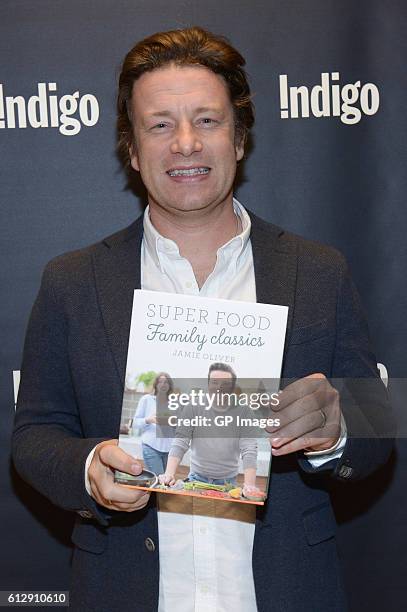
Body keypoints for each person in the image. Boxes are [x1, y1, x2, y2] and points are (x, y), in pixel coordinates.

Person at [12, 26, 394, 612]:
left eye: (208, 121)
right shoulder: (72, 281)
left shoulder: (319, 270)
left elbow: (375, 428)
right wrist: (90, 468)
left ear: (239, 140)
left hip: (288, 592)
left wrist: (336, 429)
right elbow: (34, 436)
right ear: (132, 149)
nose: (186, 143)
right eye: (160, 124)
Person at [160, 363, 259, 490]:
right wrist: (169, 473)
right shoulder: (193, 406)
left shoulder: (245, 411)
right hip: (196, 479)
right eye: (215, 382)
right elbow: (181, 440)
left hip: (228, 483)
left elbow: (249, 448)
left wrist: (250, 485)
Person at [132, 372, 175, 475]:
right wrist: (148, 420)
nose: (163, 384)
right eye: (160, 382)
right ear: (156, 384)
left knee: (165, 482)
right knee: (158, 481)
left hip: (169, 450)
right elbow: (135, 423)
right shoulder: (146, 399)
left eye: (166, 382)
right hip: (151, 446)